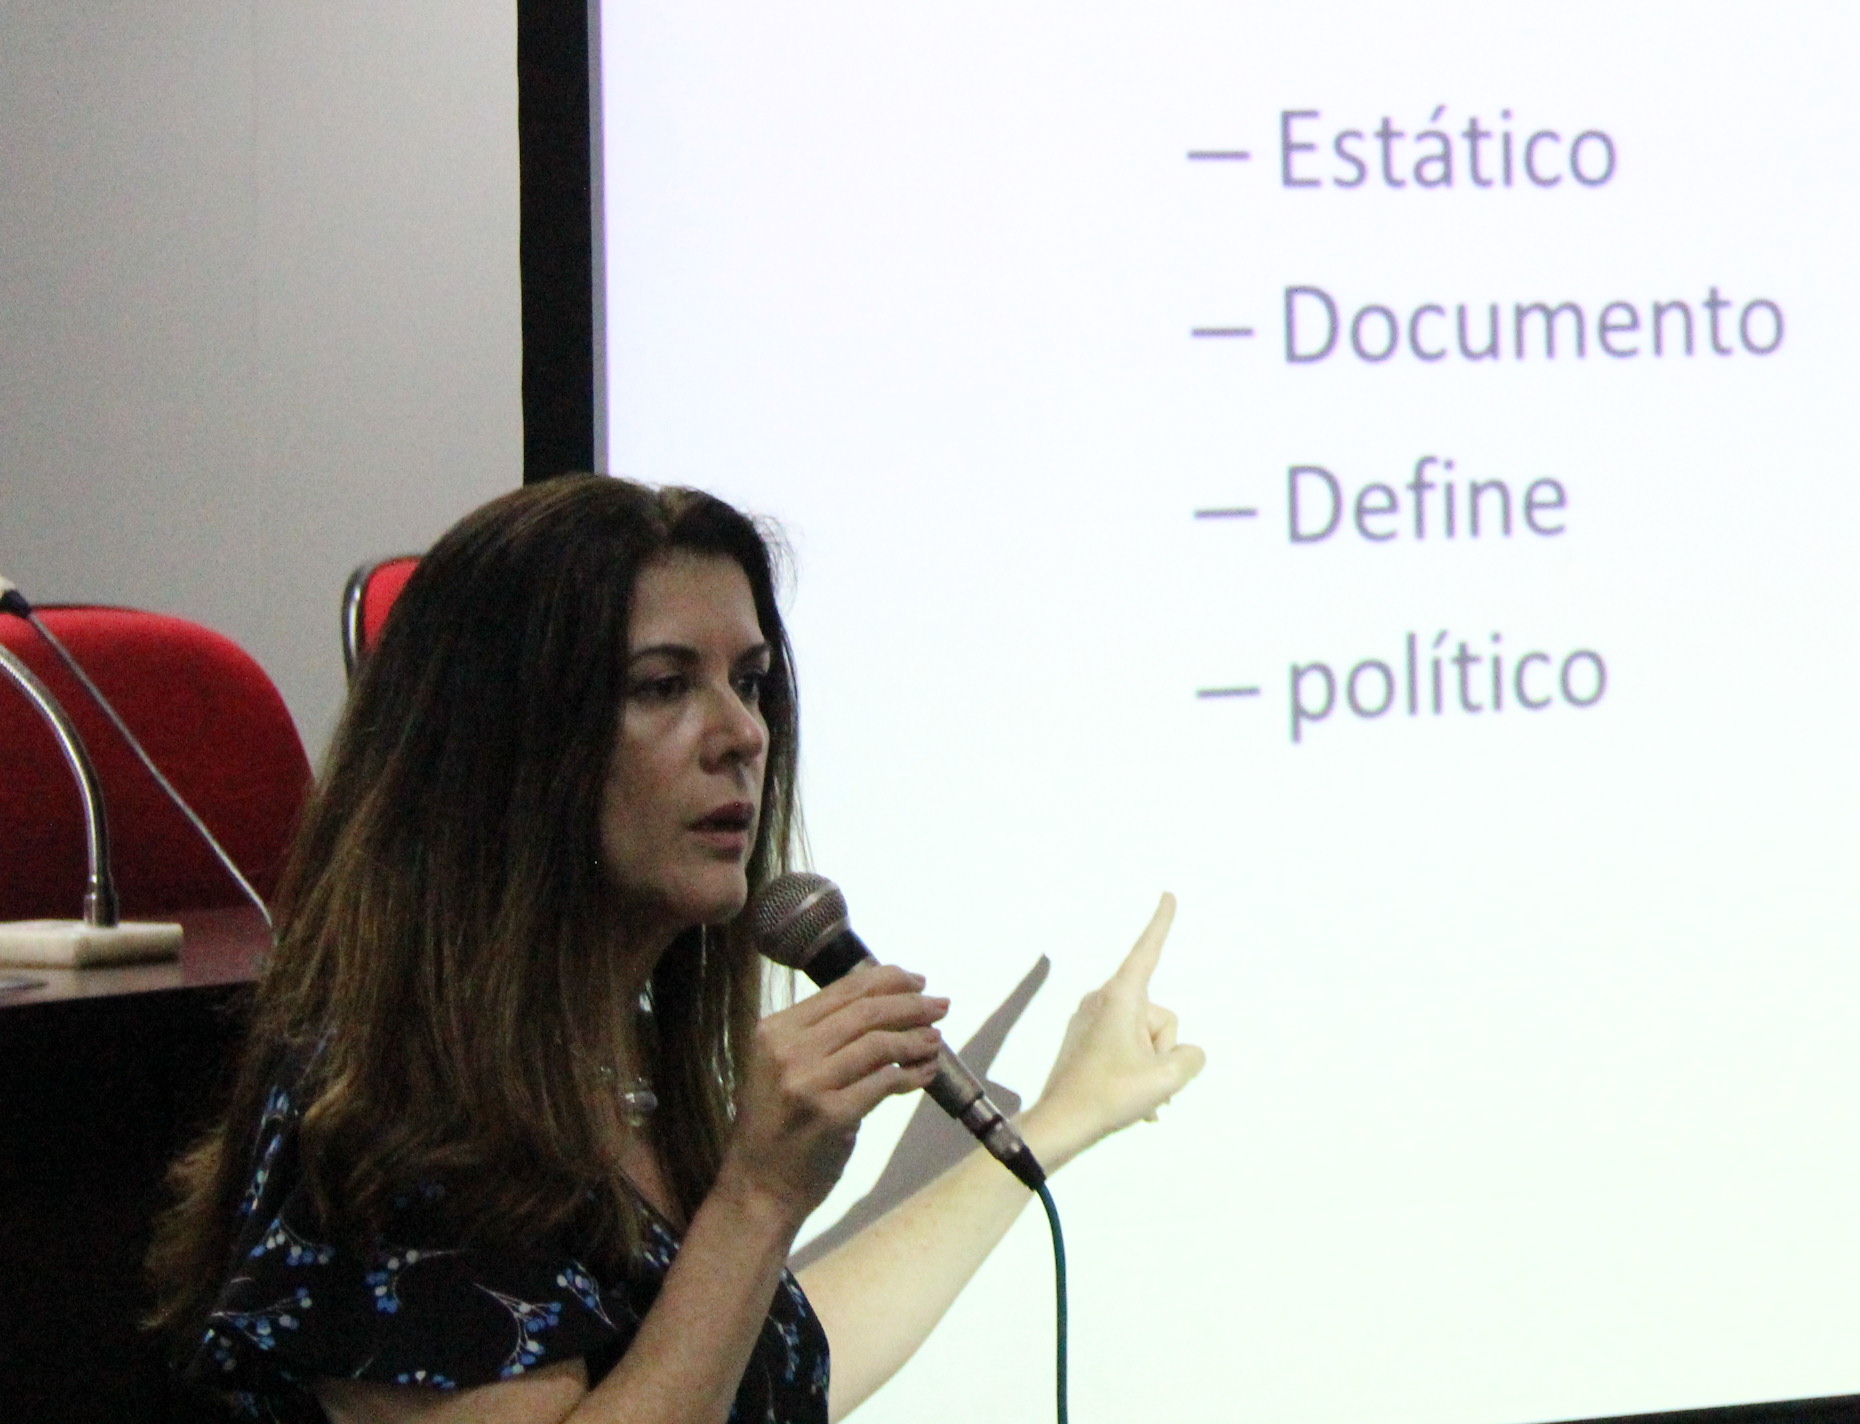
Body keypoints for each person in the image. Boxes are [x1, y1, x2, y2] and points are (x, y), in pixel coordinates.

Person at [145, 476, 1205, 1421]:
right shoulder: (389, 1109)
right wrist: (758, 1198)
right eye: (663, 686)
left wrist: (1062, 1119)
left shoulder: (628, 1057)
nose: (742, 733)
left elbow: (758, 1373)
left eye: (750, 681)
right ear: (506, 747)